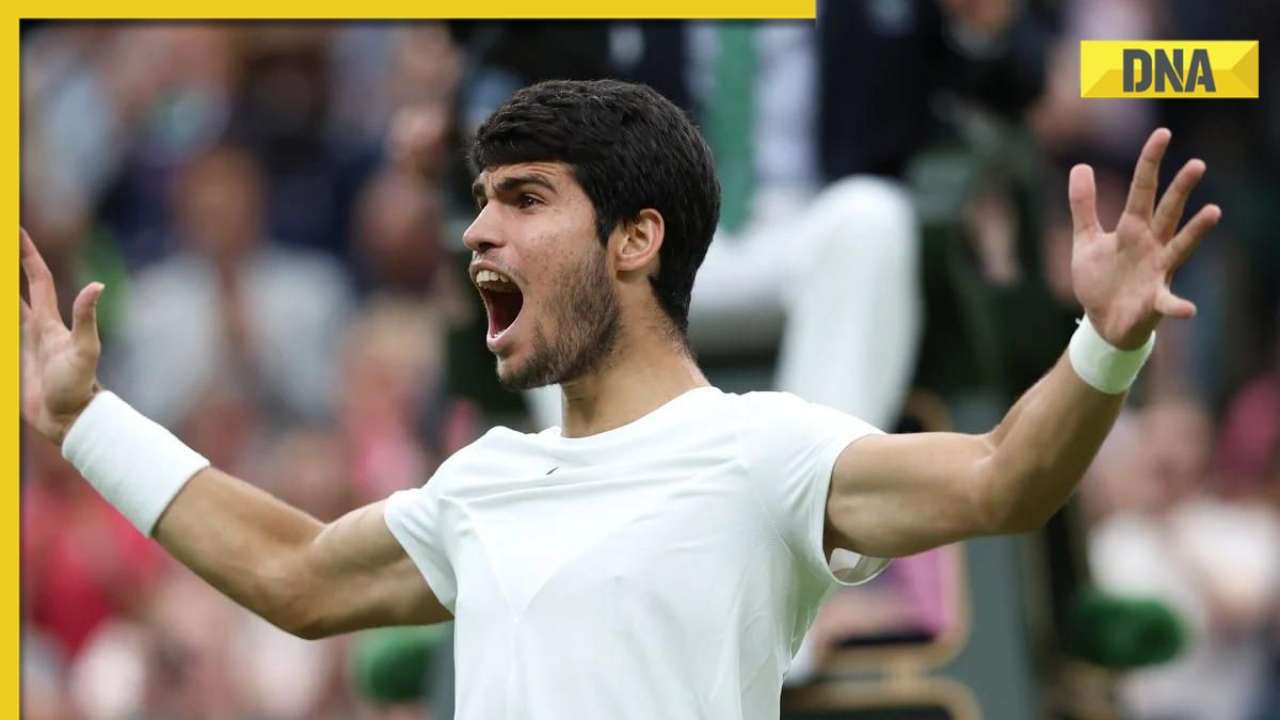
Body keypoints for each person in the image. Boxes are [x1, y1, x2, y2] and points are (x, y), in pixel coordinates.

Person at [20, 79, 1220, 719]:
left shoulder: (767, 453)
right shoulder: (478, 486)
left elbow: (1004, 478)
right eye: (480, 199)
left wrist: (1101, 346)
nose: (478, 229)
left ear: (637, 239)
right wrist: (86, 422)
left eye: (526, 198)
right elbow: (288, 573)